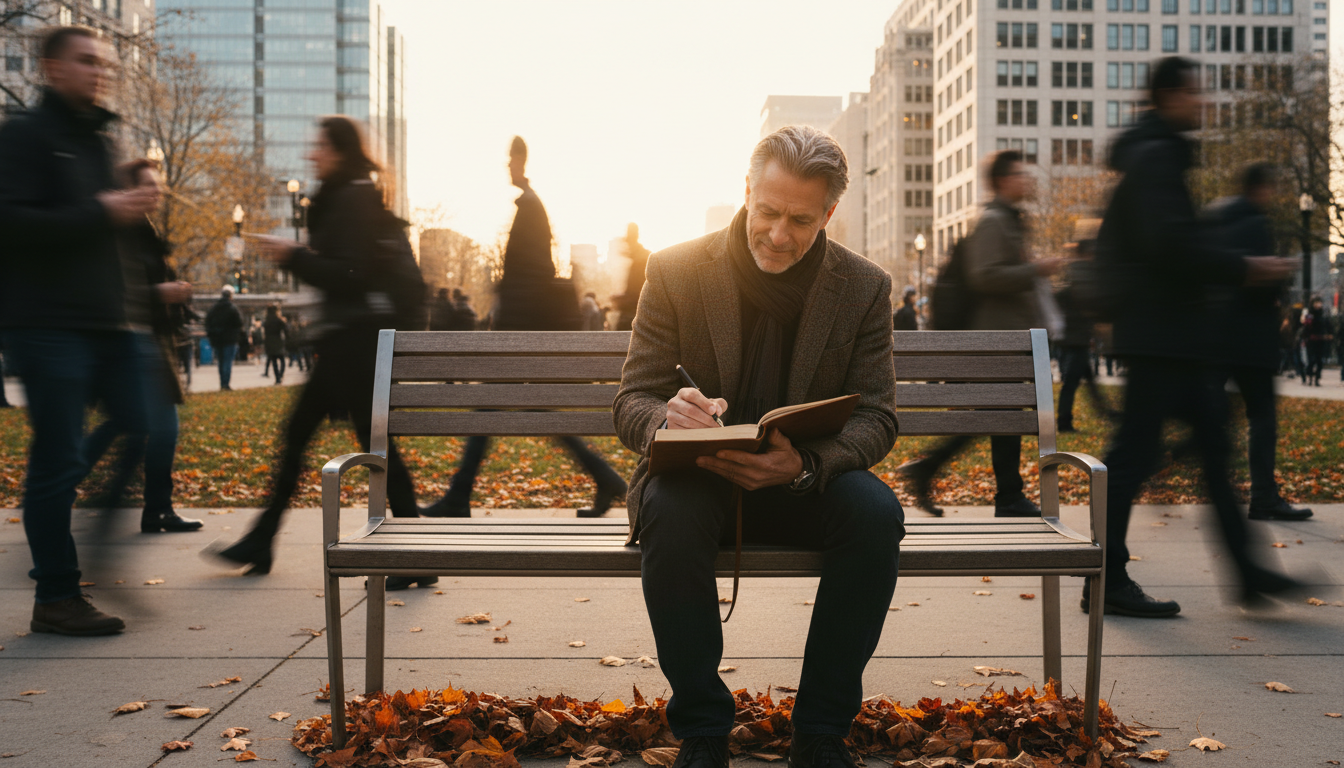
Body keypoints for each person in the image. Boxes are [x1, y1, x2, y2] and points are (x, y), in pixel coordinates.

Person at [614, 126, 903, 768]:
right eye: (767, 211)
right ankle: (703, 730)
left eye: (801, 219)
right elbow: (631, 400)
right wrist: (668, 416)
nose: (778, 234)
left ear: (830, 213)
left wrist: (805, 464)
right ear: (746, 191)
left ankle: (822, 731)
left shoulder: (863, 287)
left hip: (804, 480)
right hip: (698, 478)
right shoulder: (675, 269)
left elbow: (878, 417)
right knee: (669, 508)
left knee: (877, 515)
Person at [1090, 56, 1301, 618]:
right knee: (1135, 456)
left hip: (1169, 333)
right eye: (1193, 92)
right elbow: (1169, 245)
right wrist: (1245, 267)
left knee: (1208, 452)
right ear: (1167, 96)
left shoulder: (1154, 153)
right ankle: (1105, 577)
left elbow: (1168, 241)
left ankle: (1247, 573)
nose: (1202, 101)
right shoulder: (1157, 155)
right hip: (1161, 333)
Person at [204, 115, 422, 579]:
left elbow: (350, 274)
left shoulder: (353, 198)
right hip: (353, 346)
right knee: (370, 447)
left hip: (353, 346)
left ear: (339, 150)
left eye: (319, 146)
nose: (311, 154)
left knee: (313, 439)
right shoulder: (351, 195)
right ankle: (413, 551)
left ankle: (265, 540)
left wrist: (293, 256)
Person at [0, 26, 161, 635]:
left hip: (105, 323)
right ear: (50, 67)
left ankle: (91, 530)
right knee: (58, 457)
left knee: (139, 418)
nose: (99, 72)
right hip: (46, 323)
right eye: (86, 61)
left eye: (105, 64)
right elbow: (10, 221)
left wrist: (130, 203)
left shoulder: (96, 140)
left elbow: (98, 228)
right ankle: (57, 596)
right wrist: (102, 209)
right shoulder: (23, 136)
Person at [421, 137, 627, 520]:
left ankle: (459, 495)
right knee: (533, 409)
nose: (506, 166)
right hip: (521, 329)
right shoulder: (530, 206)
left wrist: (508, 323)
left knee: (490, 409)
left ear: (520, 161)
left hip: (520, 330)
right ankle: (605, 478)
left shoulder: (530, 207)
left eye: (510, 160)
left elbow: (534, 273)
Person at [898, 151, 1066, 517]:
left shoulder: (1010, 220)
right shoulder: (993, 221)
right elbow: (983, 275)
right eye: (1021, 174)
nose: (1028, 180)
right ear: (1003, 180)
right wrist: (1035, 269)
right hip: (996, 341)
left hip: (1007, 340)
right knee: (998, 417)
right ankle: (1003, 494)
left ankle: (993, 489)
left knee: (997, 417)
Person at [80, 168, 204, 535]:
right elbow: (114, 291)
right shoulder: (120, 233)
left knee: (136, 424)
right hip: (133, 339)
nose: (156, 191)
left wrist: (174, 291)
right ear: (128, 189)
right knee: (151, 425)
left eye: (158, 186)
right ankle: (153, 508)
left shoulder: (145, 232)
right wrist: (161, 293)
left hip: (152, 337)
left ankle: (154, 507)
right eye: (148, 185)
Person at [1202, 164, 1311, 521]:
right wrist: (1279, 271)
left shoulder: (1214, 220)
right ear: (1260, 188)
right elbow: (1259, 280)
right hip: (1250, 340)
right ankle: (1263, 495)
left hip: (1215, 337)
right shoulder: (1256, 224)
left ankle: (1205, 480)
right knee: (1261, 418)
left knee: (1212, 416)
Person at [1054, 220, 1114, 433]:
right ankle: (1064, 422)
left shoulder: (1075, 272)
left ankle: (1105, 412)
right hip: (1074, 338)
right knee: (1072, 383)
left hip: (1075, 337)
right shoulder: (1082, 273)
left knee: (1088, 380)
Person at [612, 222, 650, 331]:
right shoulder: (638, 259)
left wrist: (623, 300)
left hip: (634, 311)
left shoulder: (640, 260)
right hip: (635, 310)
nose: (627, 246)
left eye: (628, 241)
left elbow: (637, 291)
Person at [204, 286, 243, 390]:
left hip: (217, 340)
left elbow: (207, 322)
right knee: (227, 362)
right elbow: (239, 323)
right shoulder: (233, 308)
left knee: (220, 362)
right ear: (230, 296)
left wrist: (212, 334)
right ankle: (226, 384)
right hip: (230, 340)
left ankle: (222, 383)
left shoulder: (214, 308)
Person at [1302, 296, 1332, 387]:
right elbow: (1306, 328)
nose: (1318, 304)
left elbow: (1328, 326)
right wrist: (1305, 338)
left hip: (1321, 340)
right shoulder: (1310, 315)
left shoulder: (1323, 315)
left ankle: (1317, 378)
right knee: (1311, 360)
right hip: (1311, 340)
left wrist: (1330, 334)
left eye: (1319, 302)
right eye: (1316, 302)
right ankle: (1310, 376)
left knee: (1319, 361)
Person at [262, 304, 288, 385]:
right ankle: (281, 375)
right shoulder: (279, 320)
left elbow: (265, 333)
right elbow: (286, 331)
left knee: (274, 362)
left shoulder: (266, 321)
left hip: (269, 342)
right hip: (278, 341)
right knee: (282, 360)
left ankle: (277, 379)